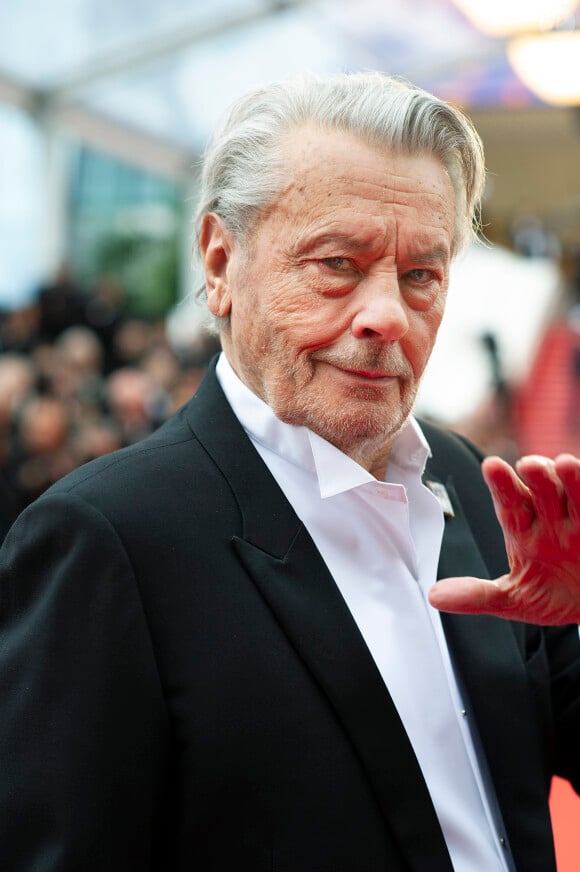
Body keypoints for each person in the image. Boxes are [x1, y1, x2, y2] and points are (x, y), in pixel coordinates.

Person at [1, 72, 579, 872]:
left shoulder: (475, 486)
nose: (387, 315)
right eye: (338, 263)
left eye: (422, 275)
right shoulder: (106, 543)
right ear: (218, 262)